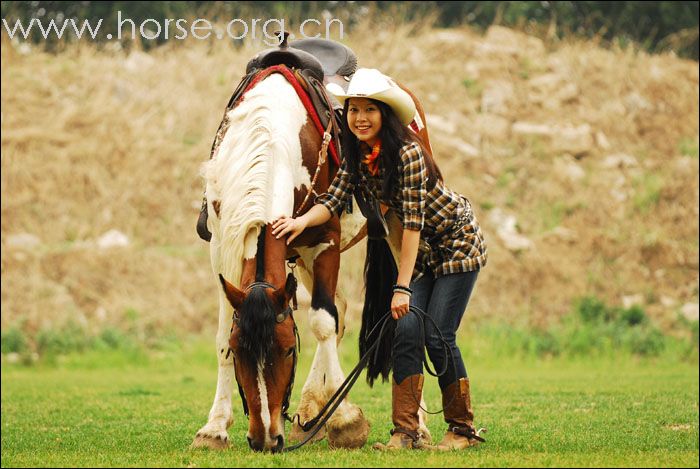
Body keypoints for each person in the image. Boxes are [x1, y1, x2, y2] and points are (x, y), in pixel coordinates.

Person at [271, 68, 488, 451]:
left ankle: (461, 429)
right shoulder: (357, 156)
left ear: (384, 114)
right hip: (419, 257)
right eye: (353, 110)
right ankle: (406, 432)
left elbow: (413, 226)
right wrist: (300, 220)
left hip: (455, 243)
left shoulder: (408, 154)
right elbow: (333, 200)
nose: (360, 117)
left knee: (438, 335)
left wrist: (401, 287)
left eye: (369, 109)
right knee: (405, 333)